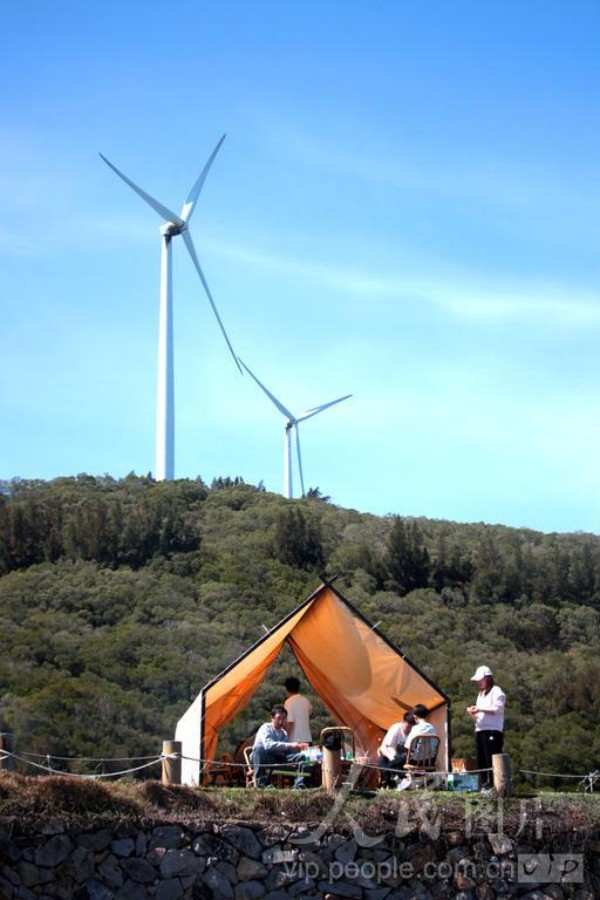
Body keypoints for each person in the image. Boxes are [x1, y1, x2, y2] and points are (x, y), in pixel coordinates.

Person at [467, 665, 506, 792]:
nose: (478, 682)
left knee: (491, 758)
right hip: (480, 730)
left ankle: (496, 786)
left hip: (492, 730)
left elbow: (497, 709)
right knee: (481, 760)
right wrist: (473, 713)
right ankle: (485, 785)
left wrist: (479, 709)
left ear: (488, 678)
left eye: (480, 680)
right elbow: (480, 715)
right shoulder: (481, 694)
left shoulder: (496, 691)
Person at [251, 705, 309, 788]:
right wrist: (291, 745)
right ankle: (261, 783)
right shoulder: (266, 728)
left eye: (284, 718)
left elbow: (284, 750)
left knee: (301, 756)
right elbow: (268, 745)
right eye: (278, 718)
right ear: (272, 718)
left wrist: (298, 747)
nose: (281, 721)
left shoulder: (283, 733)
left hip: (277, 757)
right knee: (259, 749)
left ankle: (299, 785)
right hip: (264, 757)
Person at [377, 711, 414, 786]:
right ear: (403, 722)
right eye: (407, 727)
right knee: (382, 760)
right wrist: (392, 758)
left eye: (411, 727)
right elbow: (384, 747)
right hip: (392, 755)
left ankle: (400, 781)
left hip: (405, 758)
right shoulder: (395, 728)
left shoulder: (414, 731)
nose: (409, 729)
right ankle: (389, 781)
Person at [284, 676, 313, 743]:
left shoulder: (289, 702)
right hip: (307, 739)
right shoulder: (306, 701)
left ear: (287, 689)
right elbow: (310, 712)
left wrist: (284, 739)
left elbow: (290, 723)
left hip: (295, 741)